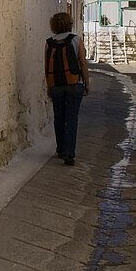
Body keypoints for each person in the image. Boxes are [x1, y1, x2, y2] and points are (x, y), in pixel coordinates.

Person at [45, 12, 89, 166]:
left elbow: (46, 66)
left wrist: (48, 86)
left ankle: (60, 149)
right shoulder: (75, 40)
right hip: (73, 83)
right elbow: (82, 62)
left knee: (59, 118)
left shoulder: (49, 42)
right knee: (71, 119)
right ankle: (69, 153)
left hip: (55, 85)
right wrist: (86, 83)